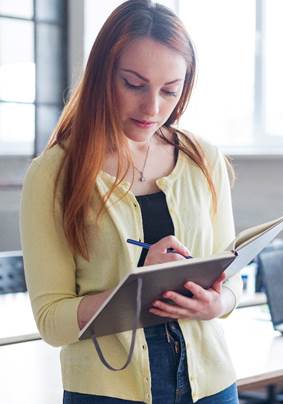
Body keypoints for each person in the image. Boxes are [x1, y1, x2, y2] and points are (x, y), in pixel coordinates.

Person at [19, 1, 242, 403]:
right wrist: (138, 286)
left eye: (170, 91)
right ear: (103, 76)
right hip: (106, 392)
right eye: (134, 84)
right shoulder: (52, 175)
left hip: (210, 384)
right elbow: (52, 322)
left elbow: (231, 281)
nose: (152, 108)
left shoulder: (203, 159)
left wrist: (216, 302)